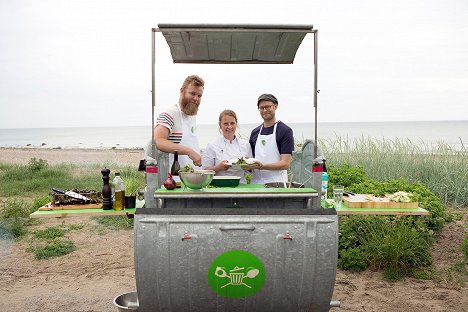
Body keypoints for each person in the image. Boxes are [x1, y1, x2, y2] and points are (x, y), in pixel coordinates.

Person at [152, 75, 205, 168]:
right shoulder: (169, 113)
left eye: (199, 95)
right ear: (182, 91)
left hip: (190, 176)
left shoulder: (191, 116)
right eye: (192, 93)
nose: (196, 98)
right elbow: (159, 141)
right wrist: (189, 151)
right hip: (173, 178)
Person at [248, 93, 294, 184]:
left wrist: (261, 166)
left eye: (268, 106)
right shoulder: (255, 132)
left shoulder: (285, 131)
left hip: (277, 184)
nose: (264, 110)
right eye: (261, 108)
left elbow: (285, 163)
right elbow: (251, 159)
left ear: (275, 106)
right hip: (256, 183)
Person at [202, 109, 252, 183]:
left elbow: (250, 170)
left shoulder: (245, 145)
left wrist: (249, 164)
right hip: (219, 187)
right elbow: (204, 172)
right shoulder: (212, 146)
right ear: (220, 125)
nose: (229, 127)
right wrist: (219, 167)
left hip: (241, 186)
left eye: (232, 123)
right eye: (226, 123)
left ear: (236, 124)